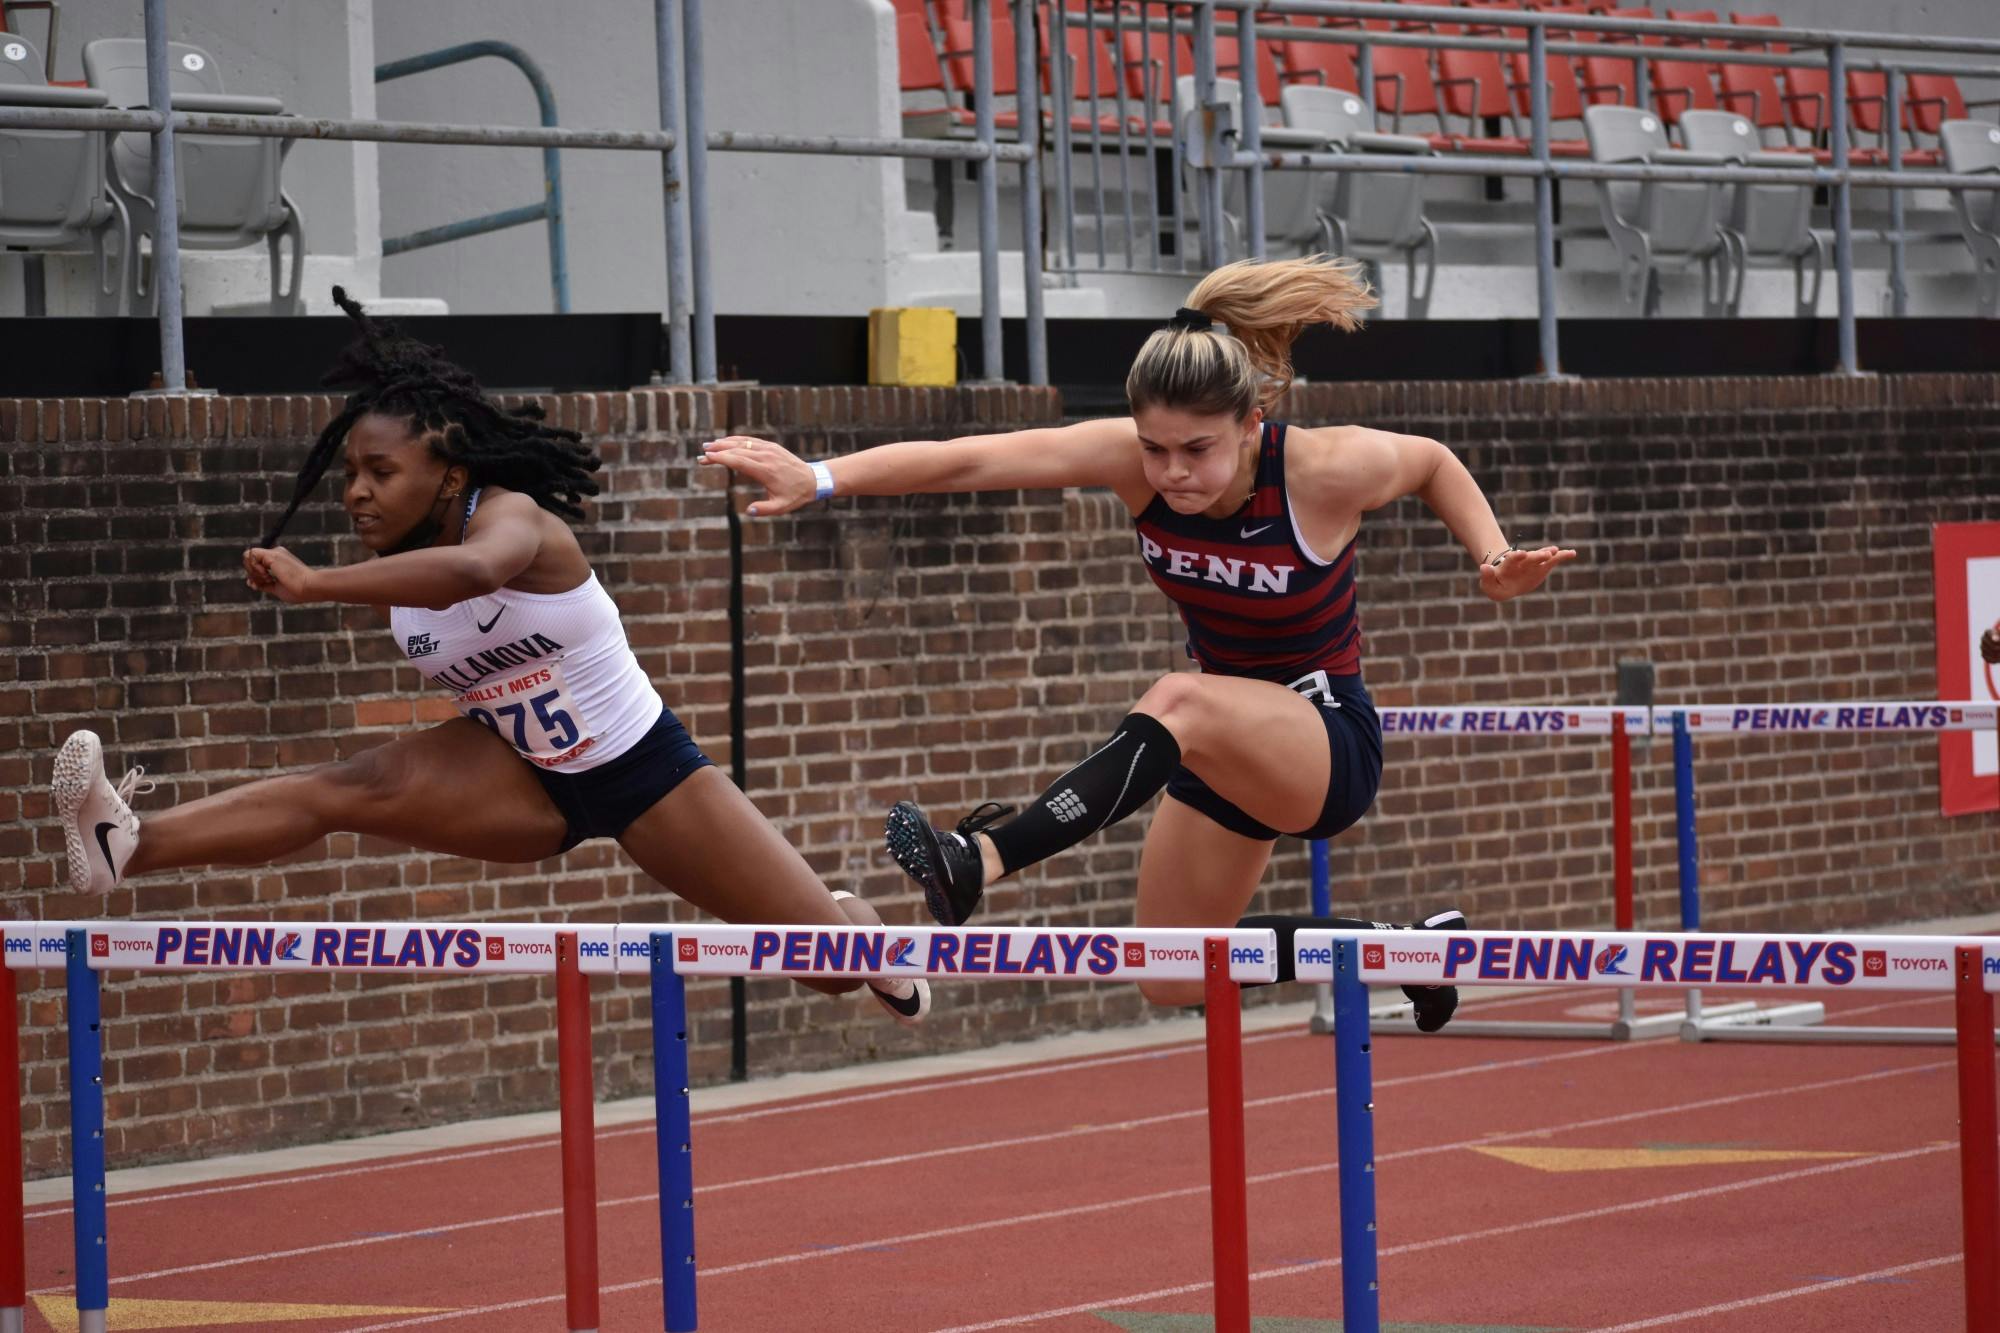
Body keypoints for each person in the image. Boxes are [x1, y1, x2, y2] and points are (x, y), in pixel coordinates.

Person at [700, 256, 1577, 1025]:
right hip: (1216, 744)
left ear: (1251, 421)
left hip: (1324, 740)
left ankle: (982, 858)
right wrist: (816, 477)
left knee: (1180, 695)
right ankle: (1397, 949)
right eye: (1155, 450)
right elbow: (977, 458)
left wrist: (1491, 555)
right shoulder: (1133, 462)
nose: (1173, 475)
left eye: (1197, 450)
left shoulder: (1319, 468)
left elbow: (1428, 460)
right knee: (1171, 970)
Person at [52, 289, 926, 1025]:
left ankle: (861, 930)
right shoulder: (400, 566)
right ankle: (126, 843)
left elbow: (472, 572)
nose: (356, 490)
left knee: (829, 962)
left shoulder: (515, 520)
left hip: (645, 773)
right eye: (348, 472)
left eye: (380, 471)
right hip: (518, 773)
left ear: (450, 471)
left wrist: (317, 585)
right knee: (342, 786)